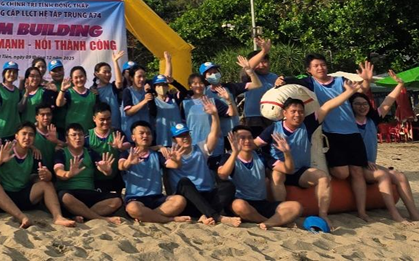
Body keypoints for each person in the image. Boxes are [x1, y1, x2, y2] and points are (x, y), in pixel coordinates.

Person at [283, 55, 375, 221]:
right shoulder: (310, 83)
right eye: (316, 66)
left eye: (323, 65)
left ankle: (361, 211)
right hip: (330, 133)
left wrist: (367, 81)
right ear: (309, 70)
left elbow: (360, 91)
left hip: (352, 132)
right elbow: (291, 83)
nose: (321, 68)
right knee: (342, 172)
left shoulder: (341, 80)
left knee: (357, 172)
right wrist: (280, 80)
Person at [255, 91, 350, 230]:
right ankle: (282, 212)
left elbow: (328, 106)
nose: (297, 115)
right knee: (277, 175)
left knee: (323, 177)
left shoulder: (308, 124)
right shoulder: (273, 128)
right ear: (284, 113)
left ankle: (323, 215)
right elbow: (255, 144)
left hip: (300, 171)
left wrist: (350, 91)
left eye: (300, 111)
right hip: (280, 168)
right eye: (293, 111)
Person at [353, 71, 419, 223]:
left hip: (370, 164)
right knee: (382, 175)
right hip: (357, 165)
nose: (362, 107)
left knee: (400, 176)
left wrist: (400, 84)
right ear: (351, 106)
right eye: (357, 104)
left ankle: (414, 214)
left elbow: (388, 101)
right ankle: (395, 214)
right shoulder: (348, 123)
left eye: (364, 104)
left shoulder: (372, 120)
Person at [165, 97, 240, 227]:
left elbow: (214, 134)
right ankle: (217, 216)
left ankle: (204, 215)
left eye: (186, 134)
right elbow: (168, 168)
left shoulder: (199, 148)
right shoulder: (169, 153)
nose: (185, 138)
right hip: (187, 199)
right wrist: (166, 154)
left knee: (228, 186)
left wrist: (214, 115)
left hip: (206, 195)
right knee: (184, 182)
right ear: (174, 139)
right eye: (180, 136)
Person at [0, 122, 77, 228]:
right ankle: (22, 218)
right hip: (3, 199)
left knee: (46, 184)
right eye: (24, 134)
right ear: (16, 136)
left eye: (31, 135)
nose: (27, 137)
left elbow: (45, 176)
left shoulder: (34, 154)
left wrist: (47, 175)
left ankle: (58, 217)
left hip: (22, 196)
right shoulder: (7, 149)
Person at [219, 126, 303, 230]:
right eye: (242, 138)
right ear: (234, 140)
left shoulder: (261, 156)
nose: (247, 141)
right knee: (239, 206)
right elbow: (222, 174)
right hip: (241, 202)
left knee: (296, 206)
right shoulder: (228, 157)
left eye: (250, 137)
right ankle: (267, 221)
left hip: (262, 202)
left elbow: (288, 169)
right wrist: (235, 153)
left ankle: (267, 222)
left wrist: (287, 153)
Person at [120, 121, 190, 224]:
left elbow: (174, 165)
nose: (145, 136)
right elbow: (121, 166)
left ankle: (148, 215)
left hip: (157, 198)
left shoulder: (157, 155)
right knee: (132, 208)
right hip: (136, 198)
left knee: (180, 200)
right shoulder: (127, 154)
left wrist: (177, 160)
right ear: (133, 137)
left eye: (148, 133)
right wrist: (129, 162)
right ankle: (168, 219)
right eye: (141, 133)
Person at [54, 123, 122, 224]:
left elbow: (103, 168)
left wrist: (107, 170)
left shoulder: (90, 153)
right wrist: (69, 174)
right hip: (70, 193)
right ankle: (101, 218)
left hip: (89, 192)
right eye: (74, 135)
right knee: (65, 197)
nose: (78, 138)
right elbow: (58, 172)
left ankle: (82, 215)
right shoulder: (61, 153)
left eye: (80, 135)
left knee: (117, 200)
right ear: (67, 138)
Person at [199, 55, 260, 150]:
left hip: (234, 132)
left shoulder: (230, 87)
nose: (214, 75)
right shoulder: (203, 92)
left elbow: (256, 84)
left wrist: (249, 71)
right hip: (216, 134)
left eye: (215, 72)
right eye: (210, 73)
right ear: (205, 78)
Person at [241, 38, 282, 136]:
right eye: (258, 62)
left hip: (272, 116)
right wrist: (264, 51)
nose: (262, 65)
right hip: (253, 118)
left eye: (264, 61)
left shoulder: (274, 77)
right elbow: (248, 67)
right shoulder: (249, 76)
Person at [86, 103, 129, 194]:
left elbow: (128, 145)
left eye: (108, 119)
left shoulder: (117, 133)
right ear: (94, 119)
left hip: (115, 177)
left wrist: (121, 147)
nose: (105, 122)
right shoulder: (87, 136)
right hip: (95, 180)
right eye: (102, 119)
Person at [92, 50, 127, 133]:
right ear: (96, 74)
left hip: (116, 127)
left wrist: (115, 62)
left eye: (109, 72)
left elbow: (119, 82)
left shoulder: (113, 87)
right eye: (104, 72)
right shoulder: (92, 90)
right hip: (101, 130)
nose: (108, 74)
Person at [56, 66, 99, 132]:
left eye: (81, 76)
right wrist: (62, 90)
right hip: (73, 132)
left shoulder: (93, 93)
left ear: (85, 77)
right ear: (72, 80)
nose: (79, 79)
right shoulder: (68, 93)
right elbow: (59, 104)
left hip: (89, 131)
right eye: (76, 78)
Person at [119, 63, 152, 138]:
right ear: (131, 78)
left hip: (146, 133)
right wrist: (144, 101)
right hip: (131, 133)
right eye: (139, 77)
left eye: (144, 76)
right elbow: (128, 112)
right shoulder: (127, 91)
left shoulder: (148, 91)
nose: (142, 79)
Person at [0, 62, 23, 140]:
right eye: (9, 71)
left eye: (14, 72)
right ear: (4, 74)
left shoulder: (17, 91)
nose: (12, 74)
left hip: (15, 131)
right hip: (1, 131)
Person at [32, 102, 63, 169]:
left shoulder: (56, 132)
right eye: (42, 115)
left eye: (48, 114)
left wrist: (56, 141)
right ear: (37, 117)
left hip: (55, 169)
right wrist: (32, 147)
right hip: (36, 170)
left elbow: (69, 146)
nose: (46, 117)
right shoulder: (31, 132)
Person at [45, 60, 67, 133]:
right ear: (49, 73)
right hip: (54, 126)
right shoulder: (47, 87)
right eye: (54, 71)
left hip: (70, 124)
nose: (57, 73)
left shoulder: (70, 84)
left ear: (63, 69)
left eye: (60, 70)